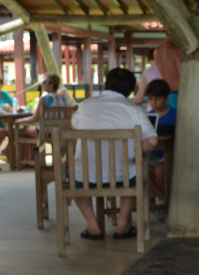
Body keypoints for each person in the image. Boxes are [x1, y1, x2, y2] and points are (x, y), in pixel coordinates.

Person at [71, 68, 158, 240]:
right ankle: (123, 225)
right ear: (130, 90)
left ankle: (93, 227)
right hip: (121, 177)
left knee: (75, 182)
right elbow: (152, 141)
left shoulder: (85, 105)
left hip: (85, 178)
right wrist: (136, 151)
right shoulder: (134, 110)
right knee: (134, 174)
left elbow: (74, 127)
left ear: (105, 84)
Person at [144, 78, 176, 201]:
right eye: (150, 99)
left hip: (169, 155)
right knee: (140, 171)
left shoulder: (175, 115)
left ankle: (162, 202)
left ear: (166, 97)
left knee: (160, 170)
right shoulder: (148, 117)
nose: (154, 102)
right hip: (152, 155)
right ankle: (162, 199)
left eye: (157, 99)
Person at [15, 73, 67, 143]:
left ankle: (13, 149)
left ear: (51, 85)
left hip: (45, 133)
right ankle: (30, 149)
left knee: (16, 131)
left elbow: (34, 119)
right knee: (26, 131)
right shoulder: (63, 98)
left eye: (44, 82)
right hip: (59, 132)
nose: (42, 84)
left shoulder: (44, 99)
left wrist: (18, 121)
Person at [155, 35, 183, 109]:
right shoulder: (176, 50)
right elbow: (183, 74)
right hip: (177, 93)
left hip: (165, 93)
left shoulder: (158, 50)